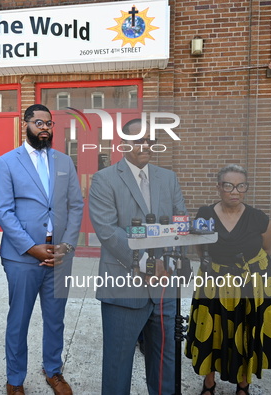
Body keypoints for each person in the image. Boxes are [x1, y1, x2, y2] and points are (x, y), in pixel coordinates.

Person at [88, 118, 186, 395]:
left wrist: (174, 260)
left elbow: (181, 222)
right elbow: (108, 232)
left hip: (165, 288)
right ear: (123, 144)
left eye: (150, 140)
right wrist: (146, 262)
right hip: (124, 285)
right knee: (118, 364)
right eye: (138, 140)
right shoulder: (104, 179)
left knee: (164, 365)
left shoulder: (168, 178)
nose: (145, 145)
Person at [0, 104, 83, 395]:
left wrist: (66, 247)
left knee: (55, 318)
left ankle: (53, 371)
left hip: (59, 256)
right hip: (22, 257)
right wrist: (32, 248)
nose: (45, 128)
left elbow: (75, 205)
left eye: (49, 123)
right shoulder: (7, 162)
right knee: (19, 319)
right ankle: (15, 379)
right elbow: (4, 211)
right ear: (26, 125)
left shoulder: (64, 162)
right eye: (39, 122)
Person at [185, 164, 271, 395]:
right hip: (215, 281)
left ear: (246, 188)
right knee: (212, 329)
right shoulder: (205, 214)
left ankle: (243, 384)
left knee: (247, 331)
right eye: (228, 185)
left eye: (241, 186)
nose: (235, 191)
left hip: (251, 284)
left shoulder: (259, 218)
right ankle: (208, 383)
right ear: (219, 187)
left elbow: (266, 250)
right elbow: (201, 248)